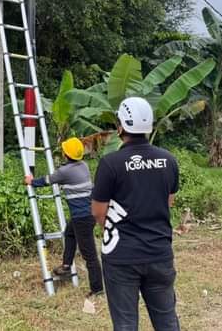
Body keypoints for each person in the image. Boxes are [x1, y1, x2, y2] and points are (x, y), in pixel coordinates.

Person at [91, 97, 180, 331]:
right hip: (160, 253)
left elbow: (99, 212)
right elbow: (168, 202)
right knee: (167, 321)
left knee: (125, 324)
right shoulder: (168, 160)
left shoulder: (111, 163)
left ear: (121, 126)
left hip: (122, 257)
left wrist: (118, 230)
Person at [24, 137, 103, 297]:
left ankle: (97, 288)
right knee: (69, 234)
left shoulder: (65, 171)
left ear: (66, 154)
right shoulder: (84, 166)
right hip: (88, 213)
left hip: (82, 217)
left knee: (90, 256)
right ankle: (66, 266)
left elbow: (47, 180)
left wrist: (31, 181)